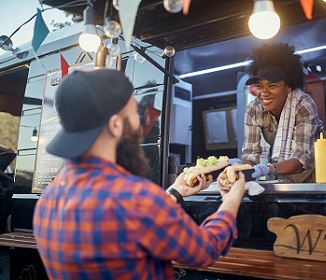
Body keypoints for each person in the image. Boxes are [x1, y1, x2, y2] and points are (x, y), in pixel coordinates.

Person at [32, 69, 246, 280]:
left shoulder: (48, 199)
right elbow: (204, 249)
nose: (140, 122)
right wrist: (232, 199)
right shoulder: (134, 197)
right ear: (115, 125)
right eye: (134, 112)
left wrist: (175, 192)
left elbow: (131, 223)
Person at [241, 42, 325, 183]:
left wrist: (267, 169)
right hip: (281, 173)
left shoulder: (303, 104)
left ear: (288, 86)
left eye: (272, 85)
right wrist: (240, 168)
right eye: (259, 86)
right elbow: (250, 154)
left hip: (315, 172)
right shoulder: (253, 110)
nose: (264, 93)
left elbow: (300, 159)